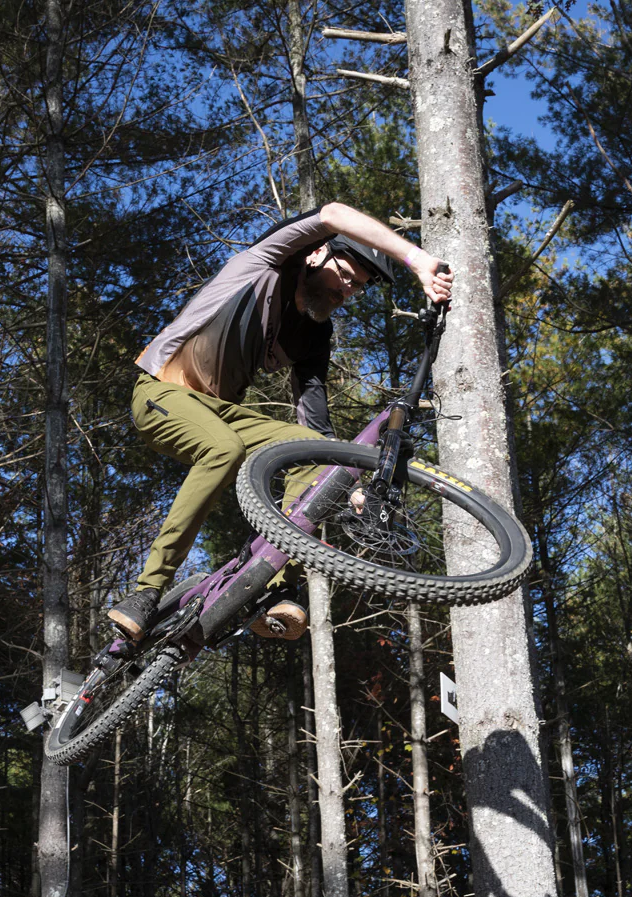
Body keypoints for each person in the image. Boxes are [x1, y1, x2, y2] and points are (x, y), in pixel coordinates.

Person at [109, 202, 454, 642]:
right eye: (345, 277)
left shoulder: (314, 334)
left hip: (220, 414)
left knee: (311, 451)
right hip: (161, 391)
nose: (346, 292)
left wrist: (343, 482)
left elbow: (316, 422)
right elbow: (332, 213)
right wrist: (417, 260)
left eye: (357, 288)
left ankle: (274, 587)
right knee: (224, 449)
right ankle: (146, 590)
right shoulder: (268, 263)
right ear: (317, 254)